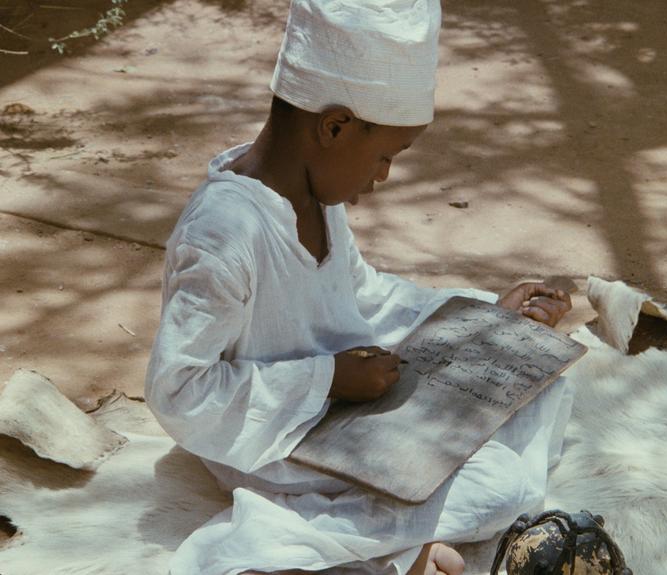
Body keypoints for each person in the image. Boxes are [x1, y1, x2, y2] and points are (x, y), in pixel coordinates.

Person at [144, 1, 573, 574]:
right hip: (270, 437)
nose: (382, 177)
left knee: (536, 386)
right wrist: (326, 380)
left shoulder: (316, 196)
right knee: (501, 487)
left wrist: (488, 323)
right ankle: (295, 544)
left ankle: (392, 542)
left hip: (344, 416)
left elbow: (361, 295)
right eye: (384, 156)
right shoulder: (224, 235)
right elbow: (179, 391)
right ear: (335, 126)